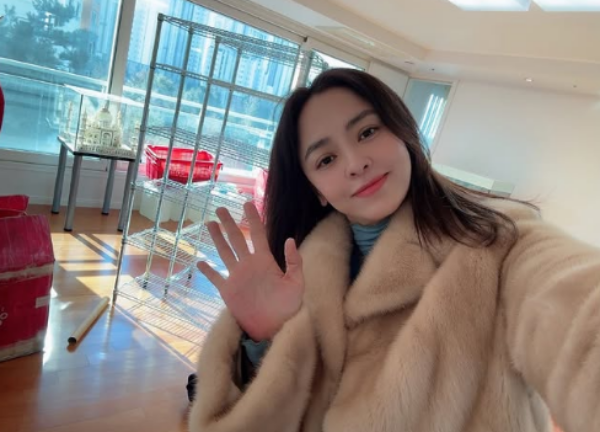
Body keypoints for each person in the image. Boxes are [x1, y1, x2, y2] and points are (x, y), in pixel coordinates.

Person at [187, 68, 600, 432]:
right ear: (317, 190)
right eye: (326, 159)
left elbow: (577, 311)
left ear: (404, 134)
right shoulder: (302, 277)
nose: (355, 163)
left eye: (367, 132)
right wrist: (265, 339)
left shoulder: (500, 242)